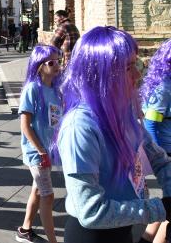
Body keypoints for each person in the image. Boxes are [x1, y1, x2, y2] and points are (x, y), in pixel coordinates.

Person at [54, 26, 171, 242]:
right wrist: (160, 208)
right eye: (128, 68)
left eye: (135, 64)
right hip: (93, 236)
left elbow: (158, 158)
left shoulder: (121, 109)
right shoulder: (79, 127)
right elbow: (91, 211)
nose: (137, 75)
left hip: (123, 228)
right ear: (101, 74)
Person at [16, 45, 62, 243]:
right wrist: (41, 151)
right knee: (48, 195)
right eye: (51, 62)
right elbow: (25, 125)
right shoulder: (32, 89)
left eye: (58, 61)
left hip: (48, 150)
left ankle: (25, 229)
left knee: (37, 189)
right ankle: (52, 240)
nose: (57, 65)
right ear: (39, 66)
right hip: (37, 152)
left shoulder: (55, 89)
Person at [141, 38, 171, 243]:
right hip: (167, 153)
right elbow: (150, 123)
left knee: (168, 204)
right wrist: (160, 157)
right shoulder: (165, 87)